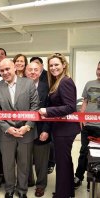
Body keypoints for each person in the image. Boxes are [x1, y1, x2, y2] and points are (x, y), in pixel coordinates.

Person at [0, 58, 39, 198]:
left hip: (26, 132)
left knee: (24, 164)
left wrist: (27, 126)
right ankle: (9, 189)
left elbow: (34, 107)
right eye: (2, 70)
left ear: (14, 68)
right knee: (8, 164)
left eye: (7, 69)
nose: (5, 72)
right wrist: (7, 128)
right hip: (6, 133)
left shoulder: (28, 83)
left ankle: (22, 190)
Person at [39, 53, 80, 198]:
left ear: (64, 65)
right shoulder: (58, 81)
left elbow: (70, 107)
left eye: (56, 64)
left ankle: (62, 194)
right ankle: (68, 191)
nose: (53, 68)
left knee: (62, 163)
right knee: (65, 161)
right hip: (61, 128)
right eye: (51, 65)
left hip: (65, 129)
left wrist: (47, 111)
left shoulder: (65, 81)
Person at [74, 61, 100, 189]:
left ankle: (95, 177)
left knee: (97, 155)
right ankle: (78, 177)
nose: (99, 72)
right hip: (88, 125)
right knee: (84, 152)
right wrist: (81, 118)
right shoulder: (89, 84)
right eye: (98, 69)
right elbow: (85, 102)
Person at [25, 62, 50, 197]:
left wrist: (46, 130)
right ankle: (29, 180)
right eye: (30, 70)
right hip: (24, 129)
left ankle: (41, 185)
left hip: (41, 129)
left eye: (36, 70)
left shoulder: (47, 88)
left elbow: (50, 109)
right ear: (25, 72)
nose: (33, 72)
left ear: (41, 72)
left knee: (41, 160)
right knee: (25, 158)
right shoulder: (20, 86)